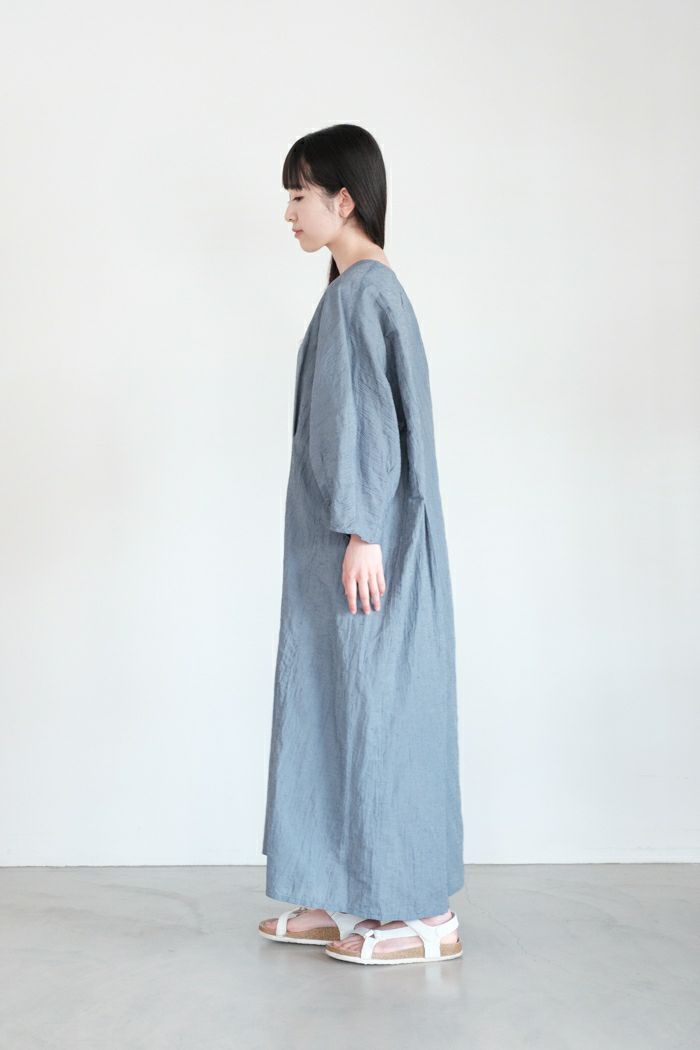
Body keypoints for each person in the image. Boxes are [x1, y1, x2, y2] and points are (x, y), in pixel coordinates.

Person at [258, 125, 464, 966]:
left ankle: (421, 913)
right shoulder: (354, 292)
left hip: (364, 545)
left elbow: (370, 428)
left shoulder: (363, 295)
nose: (289, 213)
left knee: (382, 706)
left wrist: (365, 531)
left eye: (299, 195)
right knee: (329, 702)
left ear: (343, 200)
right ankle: (335, 890)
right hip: (340, 542)